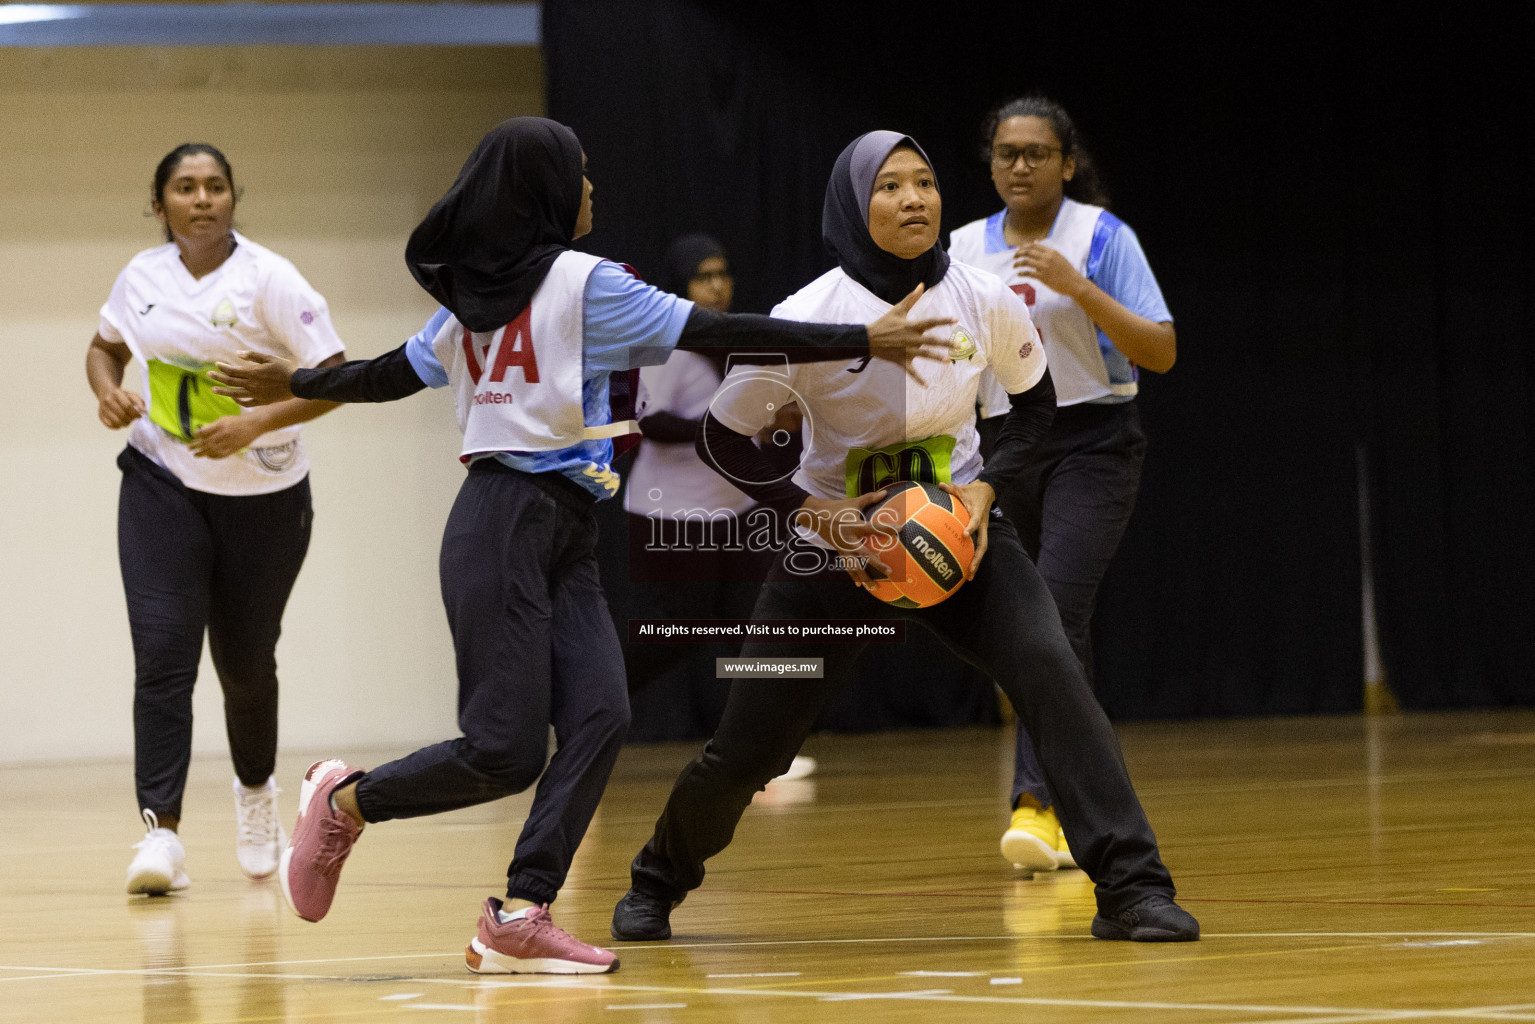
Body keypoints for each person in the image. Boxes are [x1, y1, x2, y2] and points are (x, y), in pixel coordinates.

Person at [208, 116, 951, 974]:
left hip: (567, 525)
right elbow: (717, 332)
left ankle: (521, 910)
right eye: (581, 174)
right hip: (502, 518)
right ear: (545, 193)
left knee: (603, 714)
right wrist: (865, 337)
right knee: (505, 751)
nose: (593, 189)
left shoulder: (487, 293)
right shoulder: (578, 283)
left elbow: (379, 375)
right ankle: (343, 802)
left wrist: (296, 382)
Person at [609, 130, 1199, 944]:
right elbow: (726, 438)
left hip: (956, 541)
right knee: (748, 751)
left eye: (924, 181)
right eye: (890, 186)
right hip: (831, 553)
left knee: (1055, 681)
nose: (914, 198)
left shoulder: (984, 296)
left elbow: (1031, 412)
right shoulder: (806, 317)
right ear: (854, 206)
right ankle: (654, 882)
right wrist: (805, 512)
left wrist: (987, 490)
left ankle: (1133, 889)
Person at [85, 143, 347, 895]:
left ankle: (256, 792)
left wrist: (257, 422)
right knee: (164, 653)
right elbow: (103, 349)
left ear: (234, 198)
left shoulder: (269, 279)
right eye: (184, 187)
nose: (201, 198)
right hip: (161, 482)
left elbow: (336, 380)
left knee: (244, 663)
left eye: (215, 186)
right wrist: (108, 392)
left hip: (263, 497)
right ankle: (159, 835)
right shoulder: (142, 277)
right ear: (160, 201)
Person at [949, 95, 1176, 872]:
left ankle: (1035, 806)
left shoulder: (1101, 237)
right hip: (1005, 448)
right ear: (990, 162)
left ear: (1066, 164)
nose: (1019, 165)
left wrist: (1076, 287)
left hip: (1093, 441)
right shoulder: (962, 249)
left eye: (1036, 153)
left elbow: (1159, 351)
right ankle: (1089, 812)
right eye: (1006, 152)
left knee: (1048, 610)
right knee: (1052, 629)